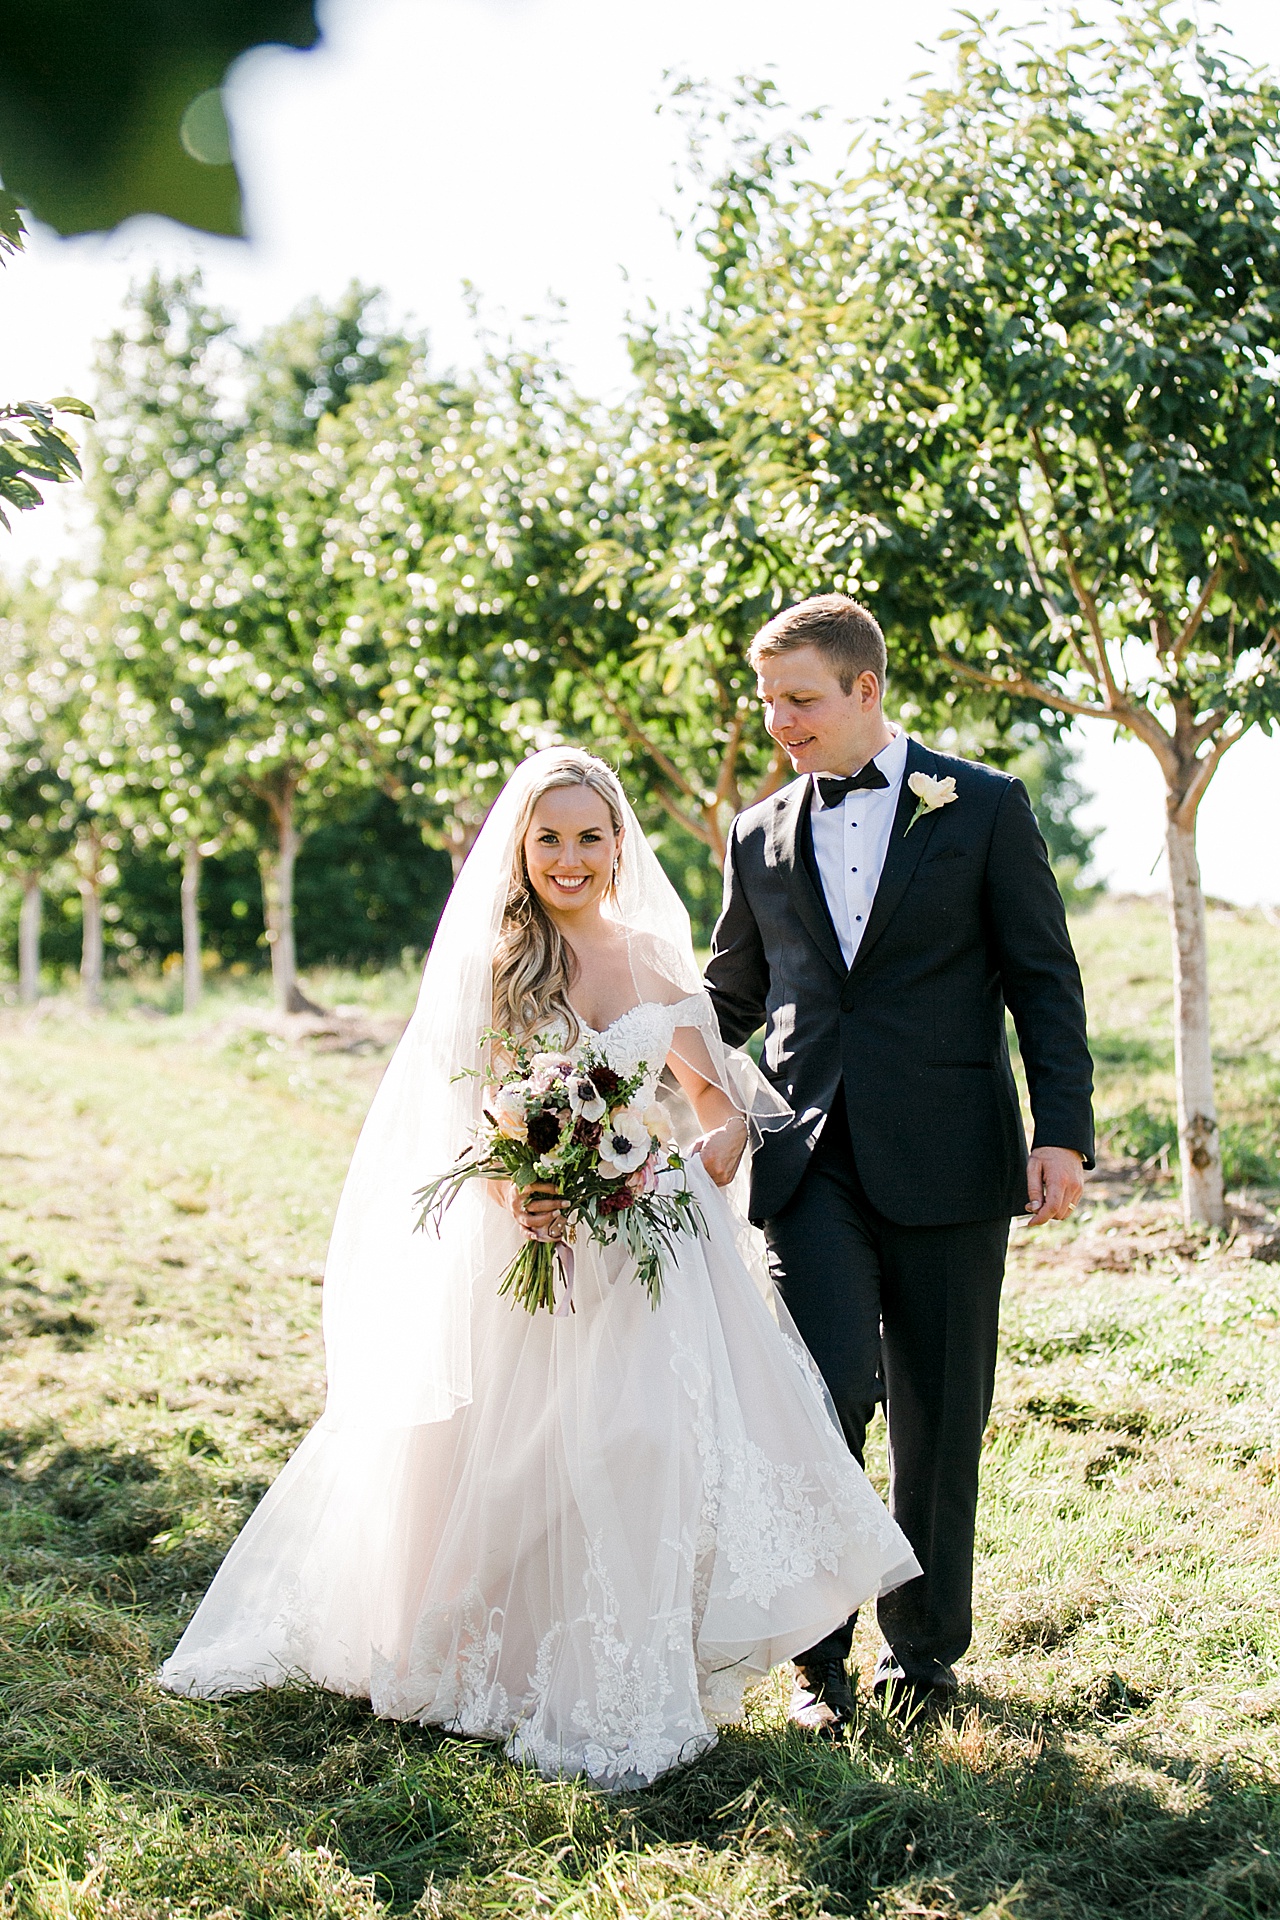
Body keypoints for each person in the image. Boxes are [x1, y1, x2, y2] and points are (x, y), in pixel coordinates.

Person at [160, 747, 918, 1789]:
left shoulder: (654, 960)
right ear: (521, 850)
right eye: (549, 839)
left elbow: (716, 1107)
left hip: (651, 1250)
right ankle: (484, 1655)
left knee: (639, 1440)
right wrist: (514, 1189)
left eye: (589, 838)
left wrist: (684, 1162)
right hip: (525, 1243)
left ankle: (624, 1669)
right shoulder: (492, 967)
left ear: (617, 847)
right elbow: (458, 1123)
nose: (569, 858)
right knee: (512, 1459)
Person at [705, 595, 1095, 1728]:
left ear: (864, 690)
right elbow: (730, 993)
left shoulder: (981, 808)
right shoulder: (755, 831)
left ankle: (920, 1656)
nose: (778, 719)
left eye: (800, 699)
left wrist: (1059, 1132)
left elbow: (1043, 981)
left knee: (938, 1410)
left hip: (951, 1159)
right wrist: (611, 1054)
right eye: (767, 698)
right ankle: (814, 1661)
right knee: (820, 1398)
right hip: (805, 1160)